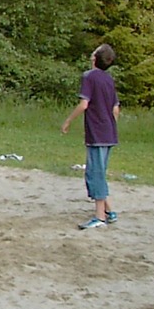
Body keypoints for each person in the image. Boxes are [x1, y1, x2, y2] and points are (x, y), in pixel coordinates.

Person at [62, 43, 121, 229]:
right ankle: (108, 211)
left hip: (97, 133)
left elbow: (84, 104)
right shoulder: (109, 79)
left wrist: (68, 120)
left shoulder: (89, 77)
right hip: (109, 132)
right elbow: (116, 109)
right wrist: (111, 126)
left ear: (95, 58)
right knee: (99, 172)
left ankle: (99, 217)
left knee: (95, 174)